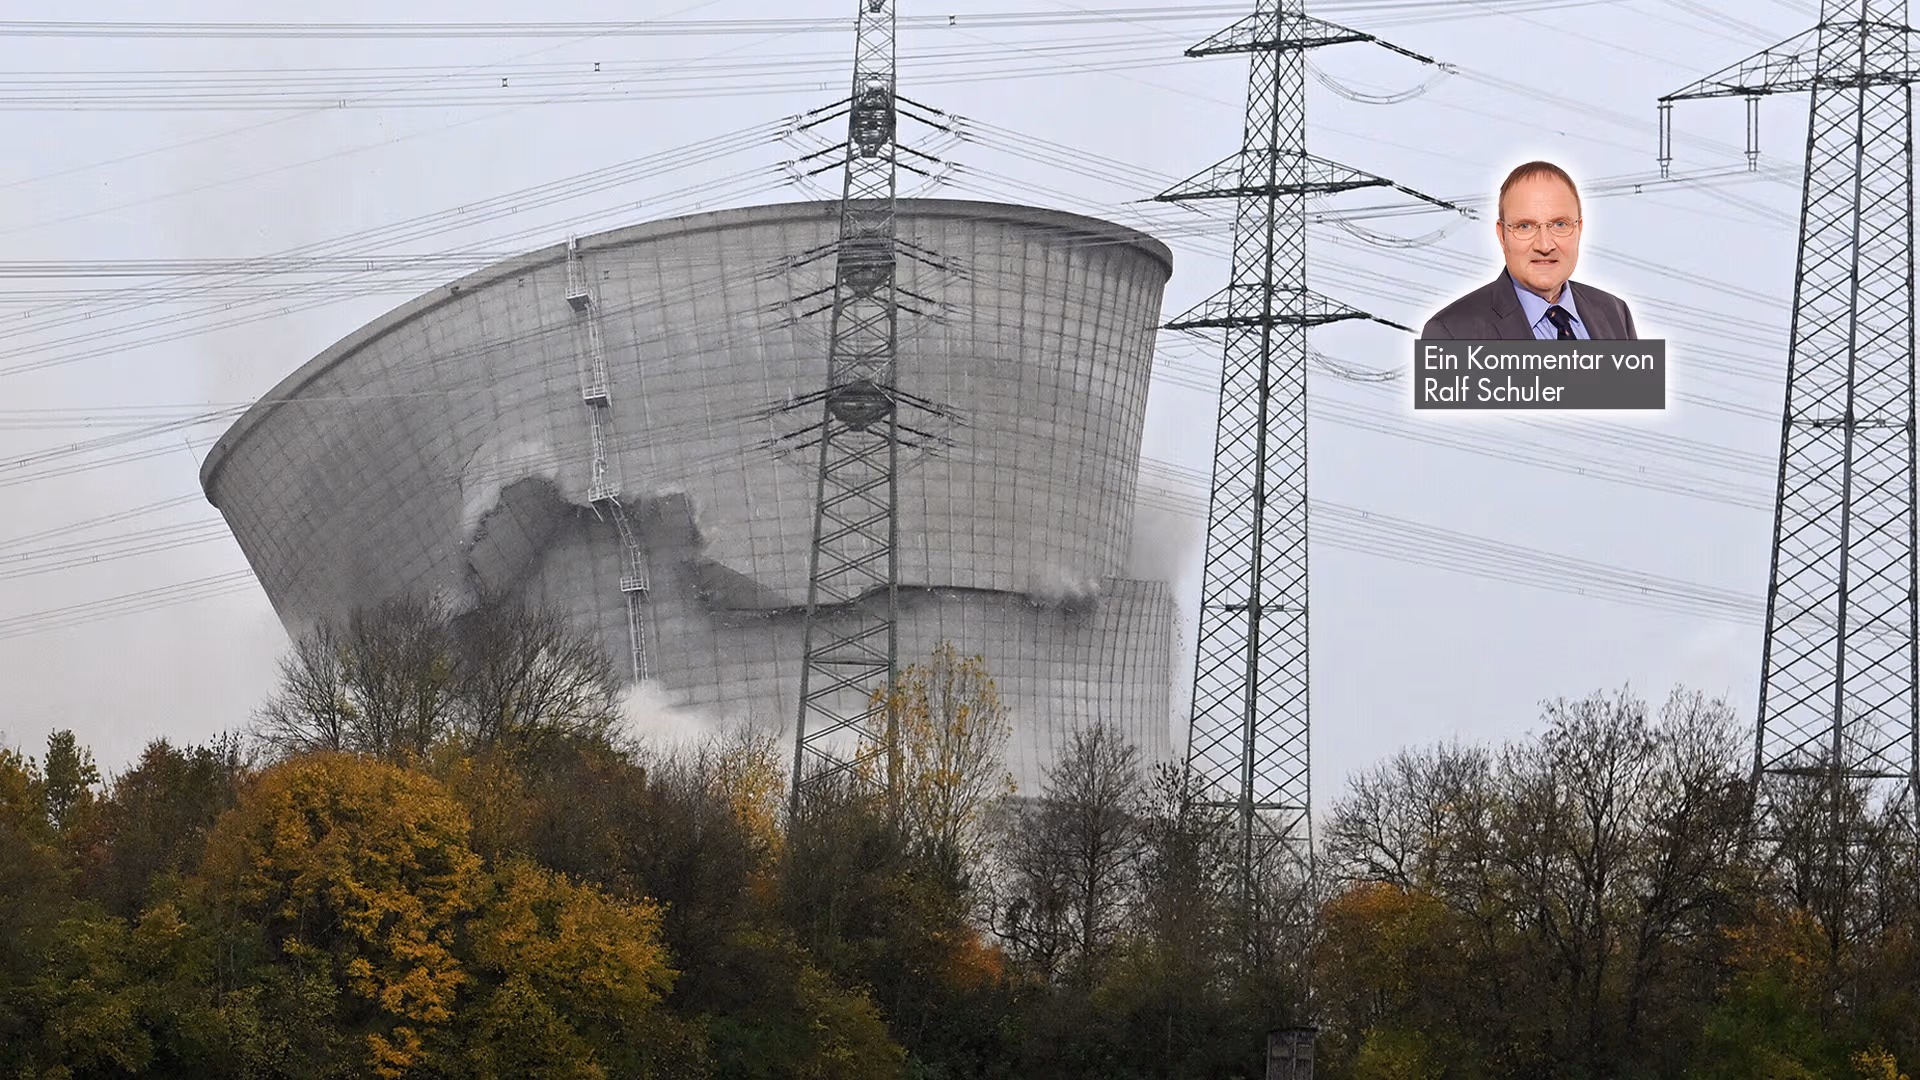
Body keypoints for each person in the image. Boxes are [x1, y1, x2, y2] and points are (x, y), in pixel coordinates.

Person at [1421, 161, 1638, 340]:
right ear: (1502, 236)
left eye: (1560, 224)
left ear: (1579, 229)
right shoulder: (1451, 333)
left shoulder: (1615, 313)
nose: (1544, 245)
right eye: (1525, 226)